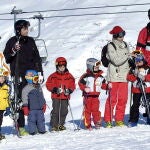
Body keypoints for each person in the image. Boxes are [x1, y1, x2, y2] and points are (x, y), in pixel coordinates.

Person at [3, 20, 43, 136]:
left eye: (27, 28)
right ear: (18, 30)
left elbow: (37, 58)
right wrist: (13, 51)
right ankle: (20, 127)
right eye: (24, 28)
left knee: (34, 100)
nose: (27, 30)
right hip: (18, 75)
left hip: (32, 75)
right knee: (20, 101)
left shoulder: (30, 41)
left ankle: (34, 125)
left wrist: (40, 73)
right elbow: (7, 58)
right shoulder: (12, 41)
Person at [104, 26, 130, 128]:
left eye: (123, 34)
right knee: (112, 99)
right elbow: (116, 61)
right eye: (120, 35)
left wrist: (132, 58)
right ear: (115, 35)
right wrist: (128, 55)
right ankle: (108, 120)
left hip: (124, 76)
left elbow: (126, 59)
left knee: (123, 99)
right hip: (114, 76)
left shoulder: (126, 44)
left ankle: (119, 119)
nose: (122, 37)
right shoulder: (110, 46)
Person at [46, 57, 75, 131]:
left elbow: (73, 85)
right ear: (57, 66)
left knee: (64, 111)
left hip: (65, 96)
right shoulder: (53, 76)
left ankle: (60, 124)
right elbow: (48, 84)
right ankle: (54, 125)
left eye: (63, 66)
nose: (62, 68)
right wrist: (54, 89)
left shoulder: (69, 76)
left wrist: (69, 90)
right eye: (60, 66)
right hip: (56, 96)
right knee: (56, 110)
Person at [78, 58, 107, 130]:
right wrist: (85, 88)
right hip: (87, 97)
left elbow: (103, 85)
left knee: (96, 111)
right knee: (87, 111)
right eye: (96, 67)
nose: (97, 68)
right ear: (90, 67)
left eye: (98, 67)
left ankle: (97, 122)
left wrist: (108, 86)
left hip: (96, 97)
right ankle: (88, 125)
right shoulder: (86, 76)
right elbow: (80, 83)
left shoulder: (100, 77)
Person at [127, 54, 150, 127]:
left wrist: (144, 78)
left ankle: (149, 118)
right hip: (137, 89)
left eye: (140, 61)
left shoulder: (147, 68)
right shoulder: (133, 69)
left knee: (148, 104)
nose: (138, 63)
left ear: (143, 61)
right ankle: (133, 120)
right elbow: (129, 77)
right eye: (136, 61)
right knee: (135, 105)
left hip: (147, 89)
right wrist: (135, 75)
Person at [22, 70, 46, 135]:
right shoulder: (26, 88)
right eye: (35, 78)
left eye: (37, 78)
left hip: (40, 108)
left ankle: (42, 130)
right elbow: (24, 98)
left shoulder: (39, 87)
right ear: (30, 79)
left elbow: (42, 96)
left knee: (41, 120)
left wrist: (44, 104)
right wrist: (25, 107)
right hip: (31, 109)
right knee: (31, 120)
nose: (37, 80)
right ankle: (32, 131)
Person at [0, 68, 11, 140]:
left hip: (2, 108)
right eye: (0, 78)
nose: (1, 79)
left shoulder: (7, 87)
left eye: (3, 78)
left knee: (0, 121)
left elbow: (7, 98)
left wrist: (8, 108)